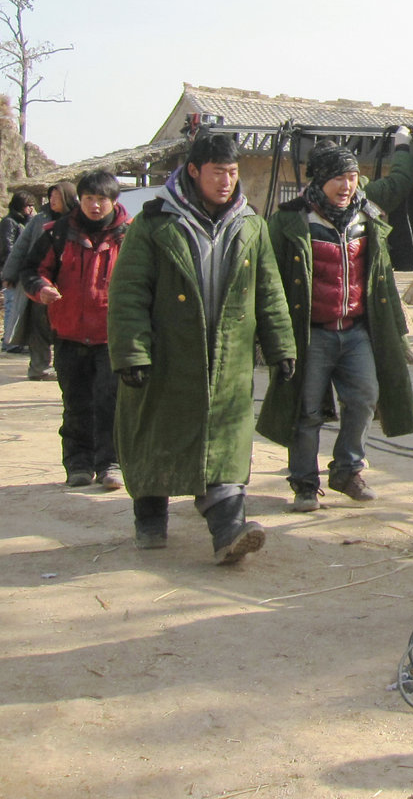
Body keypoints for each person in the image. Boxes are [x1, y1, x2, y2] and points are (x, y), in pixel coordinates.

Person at [108, 133, 297, 564]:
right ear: (193, 171)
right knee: (157, 435)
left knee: (225, 443)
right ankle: (150, 515)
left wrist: (281, 345)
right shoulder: (155, 223)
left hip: (228, 359)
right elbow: (129, 293)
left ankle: (229, 530)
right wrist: (132, 352)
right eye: (218, 172)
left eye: (232, 172)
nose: (227, 181)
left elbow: (268, 291)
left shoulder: (251, 224)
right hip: (167, 357)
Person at [256, 129, 413, 512]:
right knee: (307, 410)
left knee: (364, 399)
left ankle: (347, 469)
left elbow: (399, 181)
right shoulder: (289, 222)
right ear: (319, 180)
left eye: (351, 177)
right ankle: (304, 484)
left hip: (358, 330)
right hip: (311, 335)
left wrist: (403, 146)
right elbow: (268, 282)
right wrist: (271, 339)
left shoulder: (367, 210)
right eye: (337, 179)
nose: (346, 186)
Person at [22, 172, 131, 491]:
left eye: (102, 200)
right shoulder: (56, 233)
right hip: (68, 333)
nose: (95, 206)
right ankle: (78, 464)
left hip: (113, 336)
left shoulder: (130, 235)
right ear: (79, 200)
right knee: (76, 402)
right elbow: (32, 270)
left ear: (114, 201)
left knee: (110, 402)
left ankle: (111, 463)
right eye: (88, 199)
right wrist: (40, 288)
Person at [3, 182, 74, 381]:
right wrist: (9, 274)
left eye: (57, 197)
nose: (53, 200)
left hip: (68, 286)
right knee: (38, 328)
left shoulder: (77, 221)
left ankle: (64, 368)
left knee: (64, 331)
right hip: (39, 282)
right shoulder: (39, 220)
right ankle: (38, 368)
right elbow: (21, 247)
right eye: (51, 196)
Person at [0, 192, 34, 350]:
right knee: (11, 305)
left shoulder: (25, 222)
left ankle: (14, 340)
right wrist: (15, 266)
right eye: (28, 206)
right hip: (11, 269)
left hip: (22, 269)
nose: (31, 209)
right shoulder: (9, 222)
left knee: (18, 306)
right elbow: (7, 247)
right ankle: (9, 343)